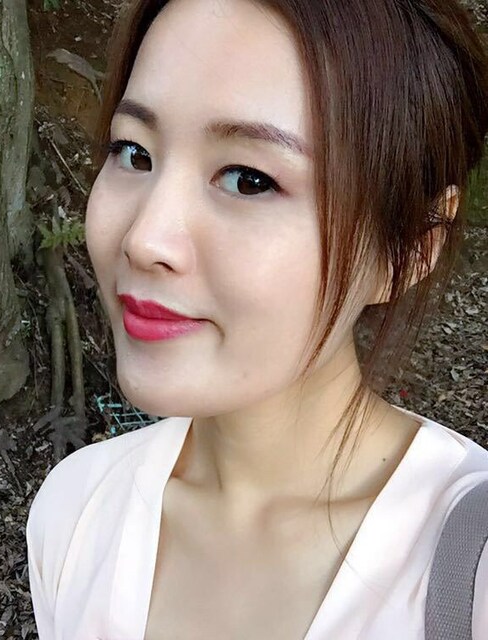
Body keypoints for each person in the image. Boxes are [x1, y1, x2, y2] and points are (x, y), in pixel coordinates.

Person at [26, 0, 488, 637]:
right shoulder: (75, 517)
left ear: (408, 247)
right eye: (134, 153)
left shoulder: (467, 570)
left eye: (248, 179)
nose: (144, 239)